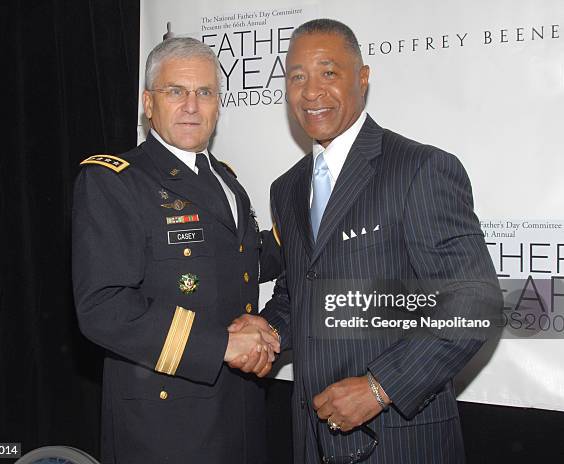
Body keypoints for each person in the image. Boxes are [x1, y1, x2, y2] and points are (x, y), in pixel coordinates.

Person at [228, 19, 502, 463]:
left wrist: (381, 387)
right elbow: (300, 291)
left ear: (363, 77)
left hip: (400, 442)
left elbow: (475, 302)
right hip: (313, 439)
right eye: (297, 77)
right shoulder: (288, 188)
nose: (311, 92)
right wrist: (269, 329)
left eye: (328, 73)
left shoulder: (420, 169)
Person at [72, 37, 280, 464]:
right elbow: (104, 308)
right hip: (166, 427)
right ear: (149, 103)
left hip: (239, 413)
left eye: (204, 92)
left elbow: (243, 262)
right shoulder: (116, 181)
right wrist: (220, 344)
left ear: (218, 104)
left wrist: (309, 220)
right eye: (176, 91)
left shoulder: (225, 178)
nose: (192, 105)